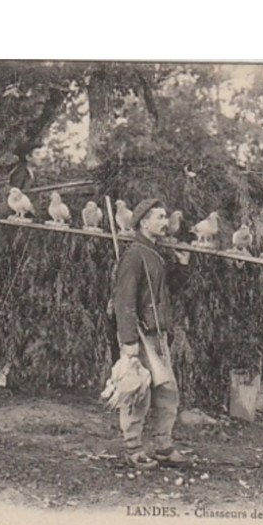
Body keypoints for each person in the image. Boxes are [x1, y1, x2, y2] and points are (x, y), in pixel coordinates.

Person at [112, 198, 191, 468]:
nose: (165, 222)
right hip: (141, 334)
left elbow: (166, 293)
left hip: (158, 334)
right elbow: (125, 300)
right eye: (159, 217)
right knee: (138, 392)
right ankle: (133, 448)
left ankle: (162, 446)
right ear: (143, 222)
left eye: (165, 217)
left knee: (168, 391)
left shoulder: (155, 253)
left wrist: (180, 266)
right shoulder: (134, 255)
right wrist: (129, 341)